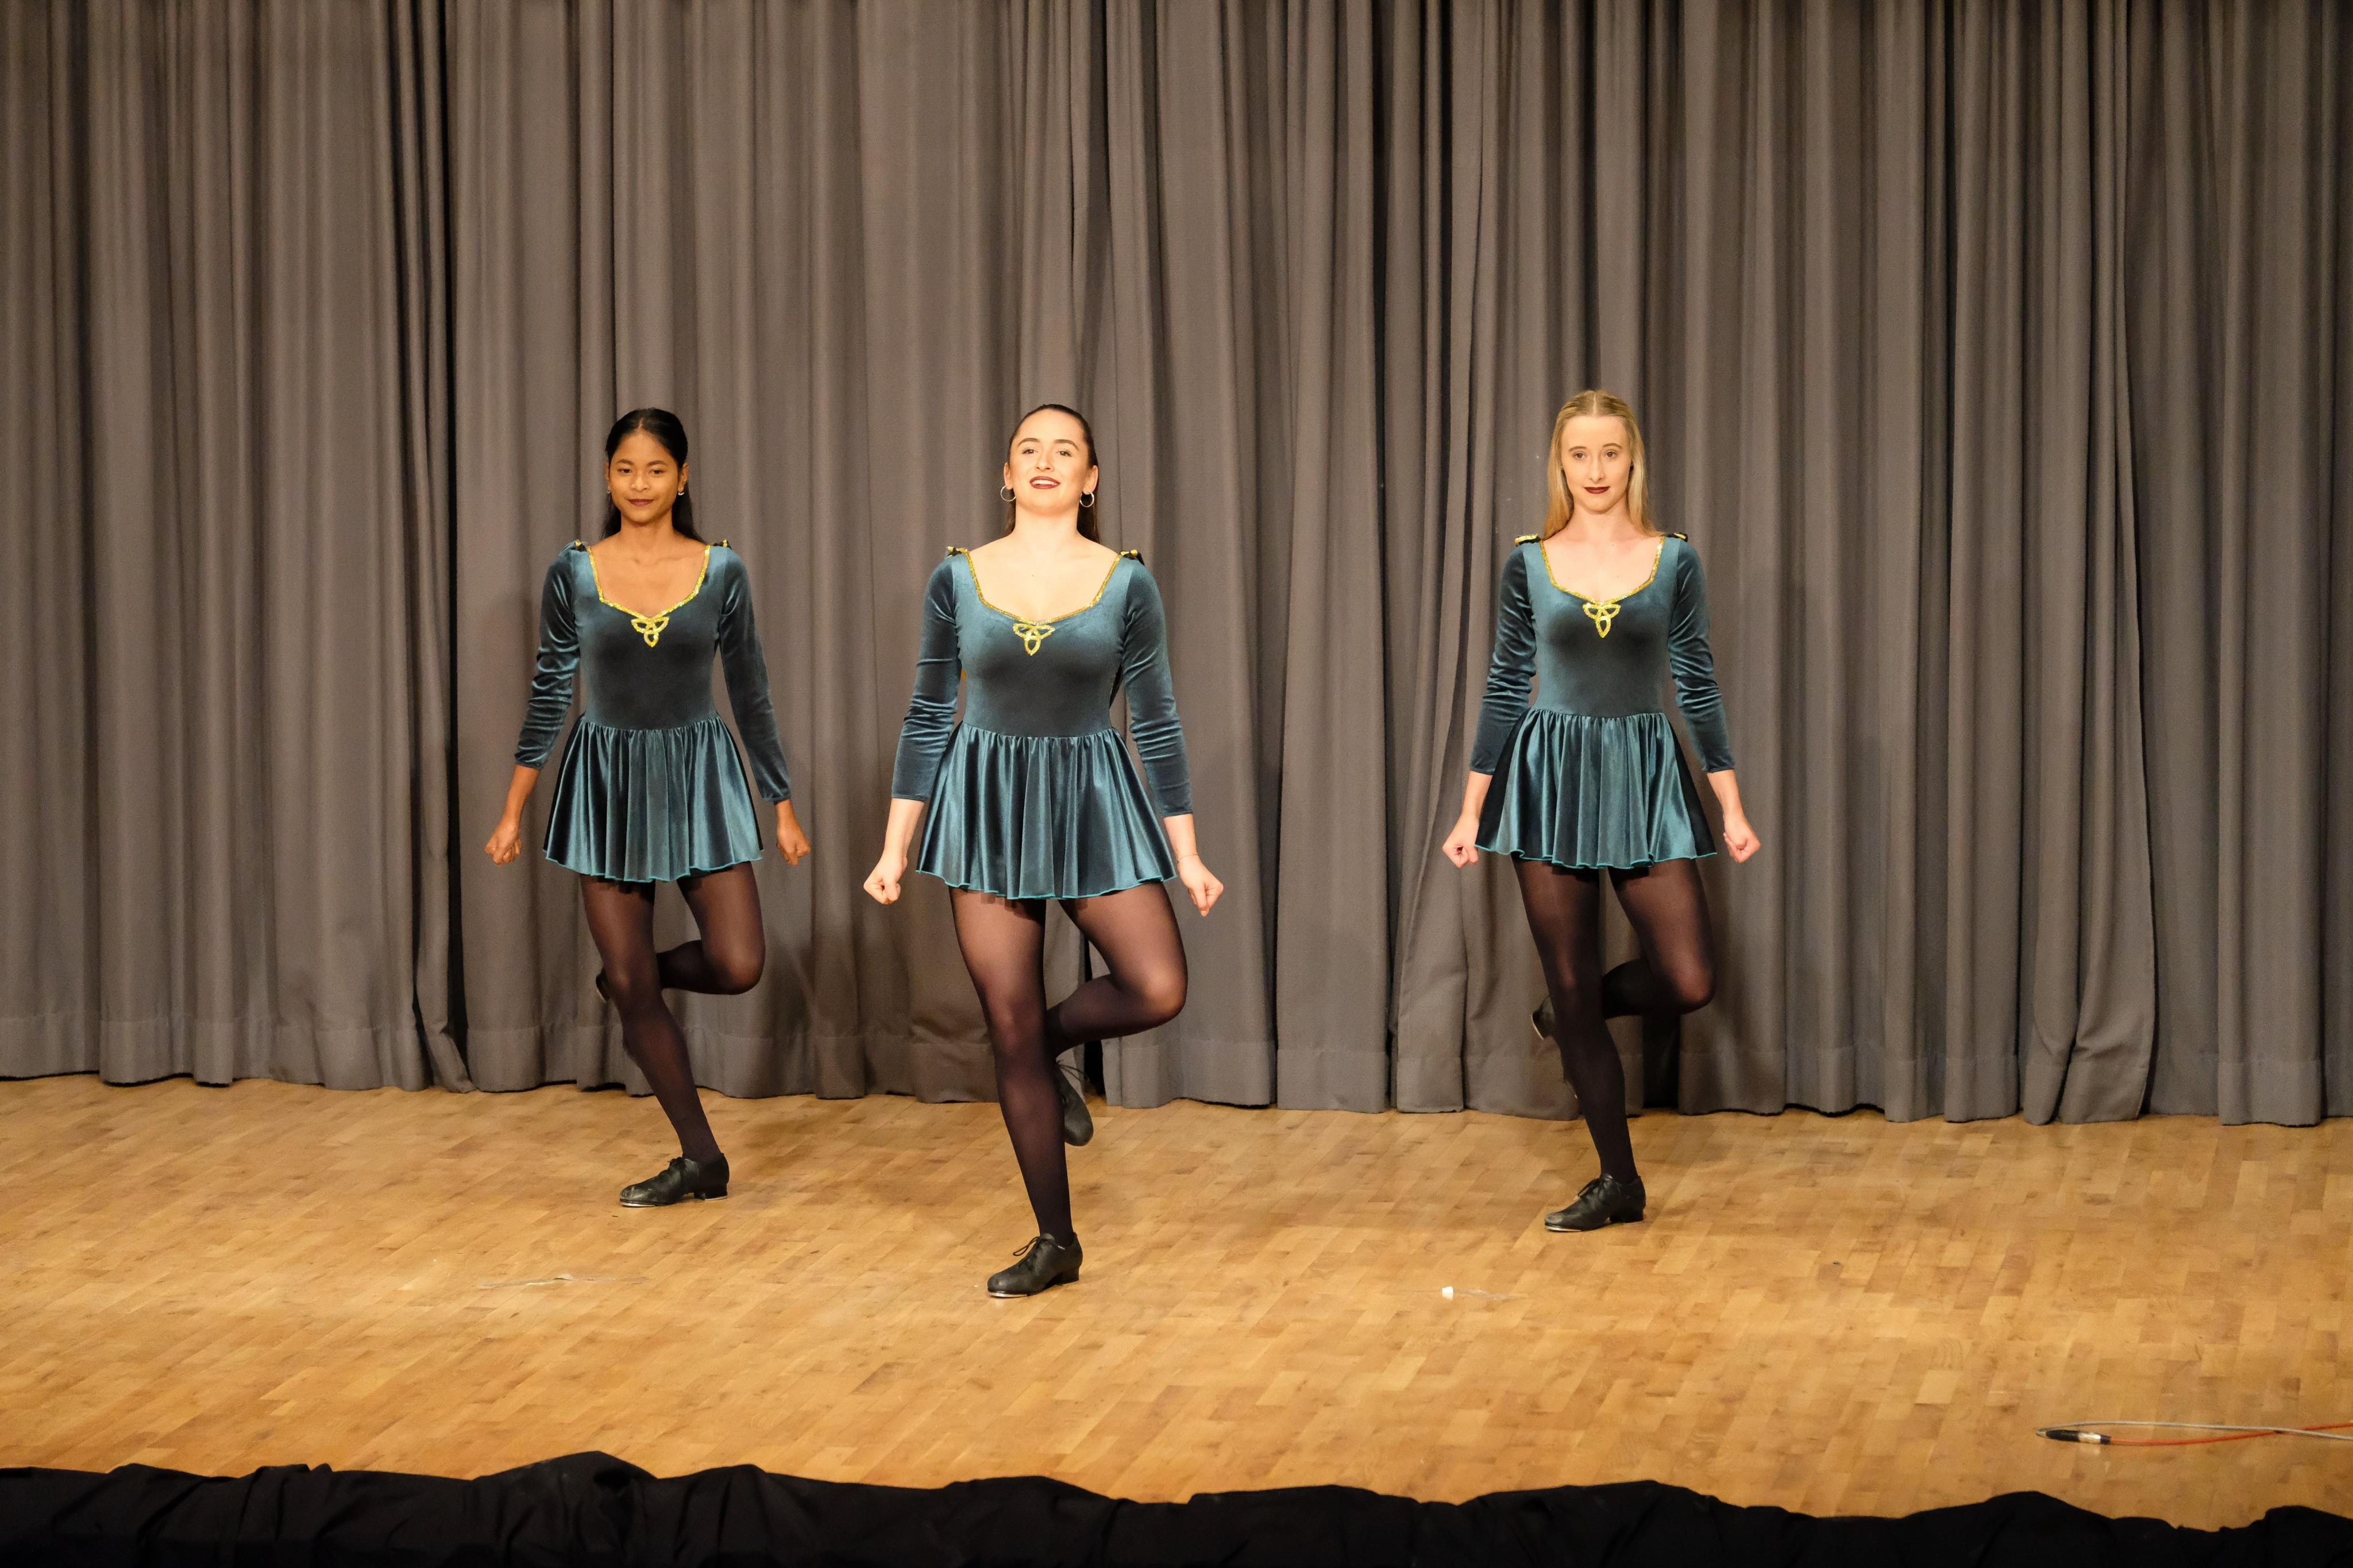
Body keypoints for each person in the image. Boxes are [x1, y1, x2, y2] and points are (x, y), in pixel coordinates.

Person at [865, 403, 1222, 1297]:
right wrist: (895, 846)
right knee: (1009, 1024)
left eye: (1065, 450)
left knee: (1157, 985)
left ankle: (1047, 1042)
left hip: (1092, 798)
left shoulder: (1127, 583)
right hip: (984, 803)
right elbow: (927, 714)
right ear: (1007, 472)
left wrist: (1187, 853)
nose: (1045, 460)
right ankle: (1055, 1239)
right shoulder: (958, 576)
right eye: (1029, 448)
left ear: (1091, 478)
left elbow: (1157, 722)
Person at [1442, 390, 1761, 1232]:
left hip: (1644, 772)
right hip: (1546, 777)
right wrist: (1471, 810)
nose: (1595, 470)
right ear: (1561, 463)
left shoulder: (1673, 560)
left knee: (1689, 978)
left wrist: (1730, 806)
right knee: (1573, 975)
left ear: (1632, 460)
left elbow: (1696, 682)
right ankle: (1619, 1180)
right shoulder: (1530, 563)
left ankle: (1567, 1011)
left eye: (1610, 453)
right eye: (1579, 454)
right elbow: (1505, 685)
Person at [485, 408, 810, 1207]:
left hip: (700, 775)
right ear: (608, 477)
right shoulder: (575, 572)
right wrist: (514, 808)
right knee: (633, 982)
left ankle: (630, 984)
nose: (640, 484)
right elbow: (550, 691)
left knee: (738, 962)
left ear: (683, 477)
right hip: (605, 783)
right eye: (626, 469)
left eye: (656, 469)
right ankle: (701, 1157)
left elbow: (751, 691)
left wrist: (781, 803)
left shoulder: (721, 570)